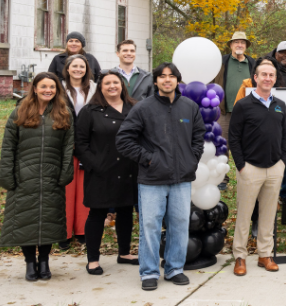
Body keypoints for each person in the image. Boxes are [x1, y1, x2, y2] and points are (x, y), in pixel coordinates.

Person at [116, 63, 205, 290]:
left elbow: (198, 137)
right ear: (155, 81)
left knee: (179, 224)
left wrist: (191, 160)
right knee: (150, 226)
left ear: (177, 80)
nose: (167, 80)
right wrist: (149, 159)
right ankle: (149, 272)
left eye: (172, 76)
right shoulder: (144, 108)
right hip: (152, 180)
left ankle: (174, 268)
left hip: (181, 179)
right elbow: (124, 140)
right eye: (162, 77)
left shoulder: (190, 107)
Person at [0, 72, 76, 282]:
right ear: (35, 88)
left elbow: (68, 147)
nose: (47, 90)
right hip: (24, 177)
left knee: (49, 220)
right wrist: (7, 175)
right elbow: (8, 148)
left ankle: (44, 261)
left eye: (52, 87)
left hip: (52, 177)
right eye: (43, 86)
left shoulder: (64, 113)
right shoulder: (19, 112)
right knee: (26, 221)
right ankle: (30, 263)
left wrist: (64, 173)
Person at [227, 58, 286, 276]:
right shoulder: (243, 105)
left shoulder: (280, 105)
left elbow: (285, 137)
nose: (267, 78)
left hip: (274, 168)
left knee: (268, 214)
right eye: (263, 74)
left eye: (271, 75)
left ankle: (265, 254)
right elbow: (233, 138)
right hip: (250, 169)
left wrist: (282, 162)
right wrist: (241, 166)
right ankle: (240, 257)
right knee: (244, 215)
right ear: (255, 77)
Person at [75, 71, 140, 274]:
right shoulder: (90, 111)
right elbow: (80, 143)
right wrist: (94, 165)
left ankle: (124, 252)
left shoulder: (135, 107)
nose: (112, 86)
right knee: (97, 214)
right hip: (101, 170)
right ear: (100, 88)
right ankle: (93, 259)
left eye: (116, 82)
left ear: (122, 85)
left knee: (125, 212)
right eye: (107, 83)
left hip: (130, 168)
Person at [61, 54, 94, 248]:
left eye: (82, 66)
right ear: (67, 68)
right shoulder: (59, 89)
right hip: (64, 143)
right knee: (66, 188)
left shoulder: (94, 89)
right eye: (74, 66)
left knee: (84, 188)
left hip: (87, 143)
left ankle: (82, 230)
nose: (78, 69)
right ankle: (64, 232)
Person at [216, 31, 256, 126]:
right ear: (231, 45)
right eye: (236, 42)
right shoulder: (220, 62)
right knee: (224, 140)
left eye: (242, 42)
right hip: (224, 113)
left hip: (248, 112)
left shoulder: (253, 63)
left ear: (246, 46)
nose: (239, 45)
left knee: (246, 140)